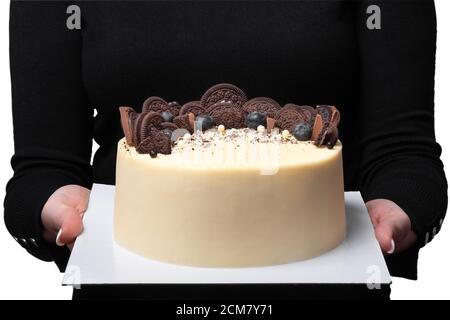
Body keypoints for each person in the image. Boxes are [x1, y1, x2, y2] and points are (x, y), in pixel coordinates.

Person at [4, 0, 447, 297]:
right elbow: (43, 168)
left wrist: (401, 202)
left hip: (327, 280)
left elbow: (403, 152)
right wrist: (50, 205)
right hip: (128, 284)